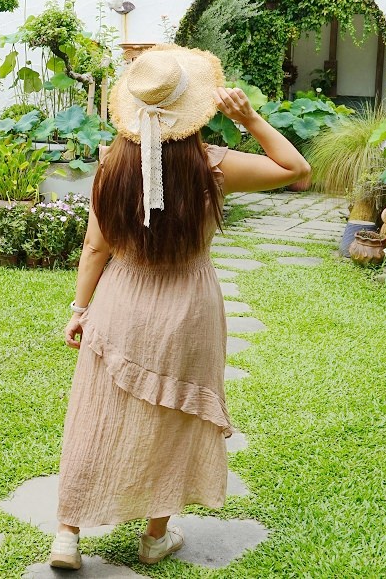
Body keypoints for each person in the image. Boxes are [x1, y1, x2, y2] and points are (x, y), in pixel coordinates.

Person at [49, 44, 310, 569]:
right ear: (192, 109)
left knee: (94, 416)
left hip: (120, 301)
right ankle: (154, 537)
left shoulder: (111, 164)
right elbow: (297, 170)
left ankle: (67, 536)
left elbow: (95, 247)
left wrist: (80, 309)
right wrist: (251, 118)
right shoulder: (213, 165)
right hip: (188, 307)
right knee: (175, 418)